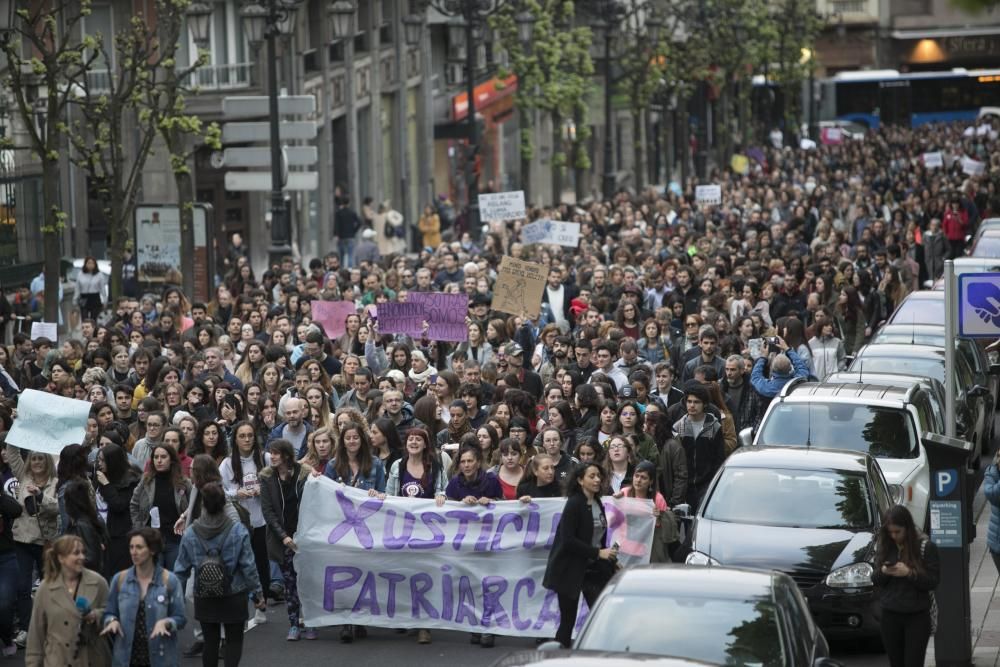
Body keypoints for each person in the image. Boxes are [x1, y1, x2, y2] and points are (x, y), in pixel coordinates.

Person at [174, 481, 265, 667]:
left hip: (204, 593)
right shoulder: (237, 530)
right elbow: (248, 566)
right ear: (224, 503)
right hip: (234, 592)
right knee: (234, 640)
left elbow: (181, 569)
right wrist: (257, 594)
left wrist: (175, 599)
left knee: (210, 642)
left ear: (203, 504)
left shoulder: (191, 533)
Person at [543, 462, 619, 648]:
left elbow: (598, 538)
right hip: (569, 570)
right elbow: (568, 540)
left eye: (599, 476)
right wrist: (597, 553)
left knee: (600, 617)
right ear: (579, 480)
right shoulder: (574, 504)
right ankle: (561, 658)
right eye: (591, 476)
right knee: (568, 621)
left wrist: (611, 559)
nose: (597, 480)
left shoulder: (597, 502)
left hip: (593, 569)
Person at [101, 527, 187, 667]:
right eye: (131, 547)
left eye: (139, 547)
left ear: (152, 550)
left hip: (160, 657)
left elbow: (181, 618)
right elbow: (109, 612)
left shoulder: (169, 581)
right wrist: (112, 621)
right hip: (126, 657)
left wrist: (166, 623)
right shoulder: (120, 580)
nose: (134, 552)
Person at [444, 444, 502, 647]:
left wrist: (492, 500)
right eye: (463, 462)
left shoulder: (491, 480)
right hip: (465, 545)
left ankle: (488, 628)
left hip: (487, 542)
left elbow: (504, 506)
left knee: (488, 585)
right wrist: (460, 503)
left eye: (470, 461)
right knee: (469, 585)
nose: (467, 465)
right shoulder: (454, 483)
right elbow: (446, 509)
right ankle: (474, 625)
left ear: (478, 462)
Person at [259, 439, 316, 641]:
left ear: (286, 455)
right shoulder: (266, 477)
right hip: (283, 538)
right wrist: (283, 537)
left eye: (276, 453)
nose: (272, 457)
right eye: (270, 453)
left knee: (307, 582)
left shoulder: (304, 473)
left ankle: (310, 622)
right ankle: (293, 624)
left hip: (305, 536)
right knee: (290, 583)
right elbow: (268, 511)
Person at [25, 534, 111, 667]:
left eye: (83, 552)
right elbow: (36, 633)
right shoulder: (46, 588)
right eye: (76, 553)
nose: (82, 557)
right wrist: (33, 663)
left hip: (91, 659)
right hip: (57, 661)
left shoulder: (98, 582)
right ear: (61, 558)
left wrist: (96, 615)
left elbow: (111, 614)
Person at [873, 505, 940, 667]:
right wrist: (884, 571)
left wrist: (909, 573)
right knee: (896, 663)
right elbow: (875, 580)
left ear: (907, 528)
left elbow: (933, 581)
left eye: (898, 532)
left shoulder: (925, 547)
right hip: (890, 615)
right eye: (890, 532)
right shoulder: (885, 545)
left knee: (913, 663)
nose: (894, 536)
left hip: (916, 616)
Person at [130, 443, 192, 570]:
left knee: (176, 578)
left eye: (163, 457)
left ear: (172, 460)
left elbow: (194, 507)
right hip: (151, 539)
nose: (159, 460)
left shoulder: (184, 482)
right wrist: (138, 527)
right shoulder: (146, 480)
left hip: (175, 539)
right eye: (156, 457)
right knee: (154, 579)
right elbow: (134, 504)